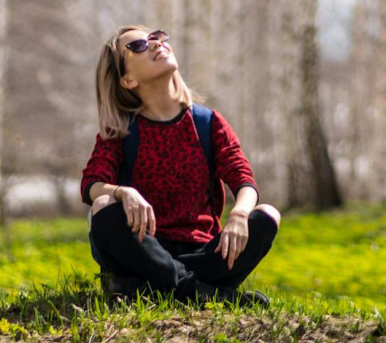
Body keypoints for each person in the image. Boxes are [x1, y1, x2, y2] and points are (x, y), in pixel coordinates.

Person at [80, 25, 281, 307]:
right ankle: (204, 293)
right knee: (103, 205)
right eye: (137, 46)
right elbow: (91, 184)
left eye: (156, 37)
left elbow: (243, 179)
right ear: (127, 80)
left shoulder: (208, 123)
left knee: (267, 215)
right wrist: (123, 192)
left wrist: (238, 214)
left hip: (205, 255)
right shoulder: (121, 130)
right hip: (145, 250)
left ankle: (156, 288)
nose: (154, 44)